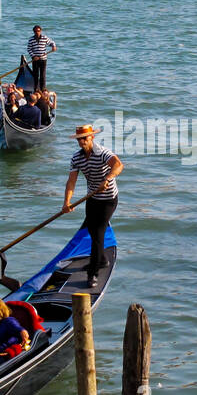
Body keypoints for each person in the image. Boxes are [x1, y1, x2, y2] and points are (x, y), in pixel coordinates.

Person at [64, 124, 123, 289]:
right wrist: (67, 202)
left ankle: (93, 274)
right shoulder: (76, 158)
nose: (82, 142)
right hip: (93, 197)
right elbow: (71, 181)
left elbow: (118, 165)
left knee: (98, 235)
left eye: (85, 138)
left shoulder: (103, 153)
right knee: (91, 229)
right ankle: (102, 260)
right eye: (79, 139)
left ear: (92, 138)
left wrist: (107, 179)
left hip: (109, 199)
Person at [27, 25, 57, 92]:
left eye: (38, 31)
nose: (37, 32)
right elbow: (29, 49)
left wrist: (53, 46)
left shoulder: (44, 38)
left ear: (40, 31)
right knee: (35, 74)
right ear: (33, 32)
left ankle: (43, 88)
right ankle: (36, 88)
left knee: (42, 75)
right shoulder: (31, 39)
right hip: (35, 59)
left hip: (43, 59)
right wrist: (34, 56)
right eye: (35, 31)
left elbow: (52, 42)